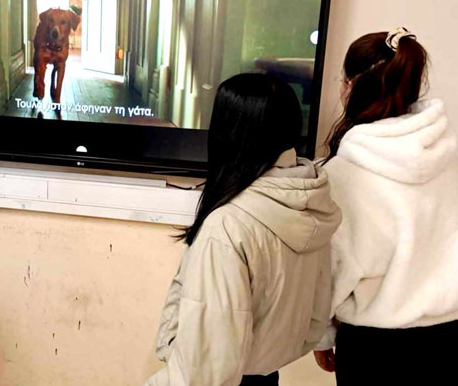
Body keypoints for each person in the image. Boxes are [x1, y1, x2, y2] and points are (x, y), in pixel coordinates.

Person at [146, 73, 341, 386]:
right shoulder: (311, 203)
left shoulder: (228, 227)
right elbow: (316, 314)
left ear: (229, 132)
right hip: (267, 374)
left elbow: (205, 370)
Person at [313, 28, 458, 384]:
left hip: (376, 349)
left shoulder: (342, 175)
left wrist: (322, 337)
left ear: (350, 86)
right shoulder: (450, 158)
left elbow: (329, 272)